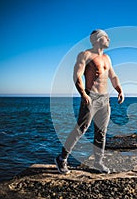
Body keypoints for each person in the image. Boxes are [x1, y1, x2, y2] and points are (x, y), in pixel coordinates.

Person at [55, 29, 124, 174]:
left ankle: (98, 162)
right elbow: (77, 76)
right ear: (98, 39)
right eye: (106, 37)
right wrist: (83, 95)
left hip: (105, 99)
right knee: (81, 128)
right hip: (90, 96)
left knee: (101, 132)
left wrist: (119, 90)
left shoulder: (107, 58)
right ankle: (62, 158)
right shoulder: (85, 55)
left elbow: (113, 76)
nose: (109, 40)